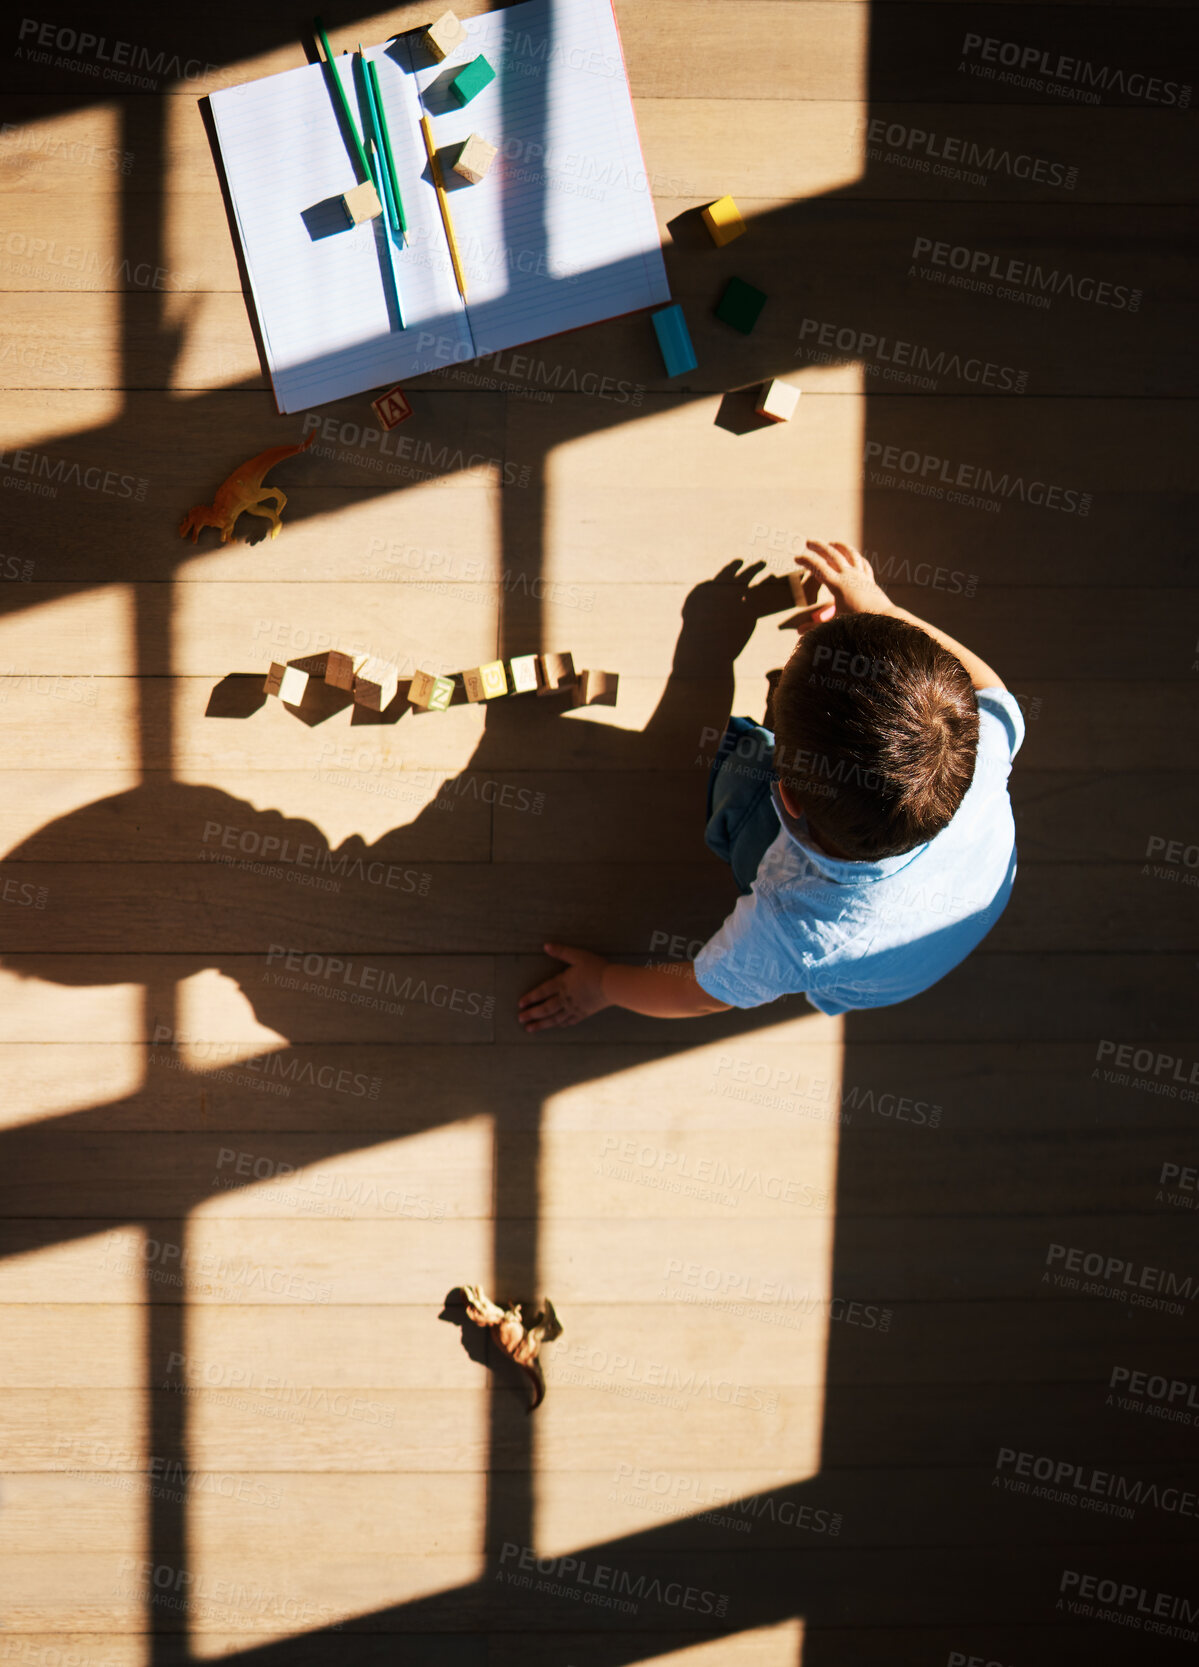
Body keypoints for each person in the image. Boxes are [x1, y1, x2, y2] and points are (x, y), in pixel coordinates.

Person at [517, 540, 1024, 1030]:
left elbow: (695, 996)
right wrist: (879, 608)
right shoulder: (980, 741)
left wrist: (601, 986)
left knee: (740, 767)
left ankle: (759, 765)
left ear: (787, 797)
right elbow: (989, 687)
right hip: (920, 944)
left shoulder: (793, 932)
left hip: (849, 961)